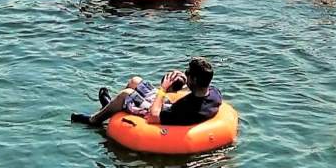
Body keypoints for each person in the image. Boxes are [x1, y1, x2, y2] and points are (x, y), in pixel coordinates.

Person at [71, 57, 223, 128]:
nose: (186, 74)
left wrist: (163, 88)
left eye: (188, 73)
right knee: (135, 81)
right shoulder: (214, 93)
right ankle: (111, 107)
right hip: (168, 106)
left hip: (158, 111)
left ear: (195, 79)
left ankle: (95, 120)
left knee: (126, 94)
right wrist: (181, 83)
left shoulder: (186, 109)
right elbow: (196, 90)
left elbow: (153, 116)